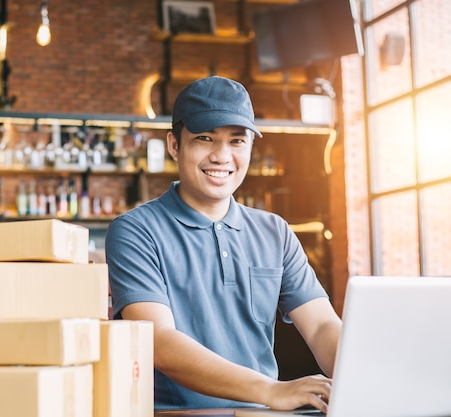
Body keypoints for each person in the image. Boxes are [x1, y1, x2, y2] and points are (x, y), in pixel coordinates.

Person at [105, 76, 342, 411]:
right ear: (174, 145)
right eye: (205, 138)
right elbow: (158, 341)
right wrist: (271, 390)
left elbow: (320, 326)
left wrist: (363, 379)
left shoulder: (275, 231)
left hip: (258, 413)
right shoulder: (135, 231)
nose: (222, 156)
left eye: (236, 141)